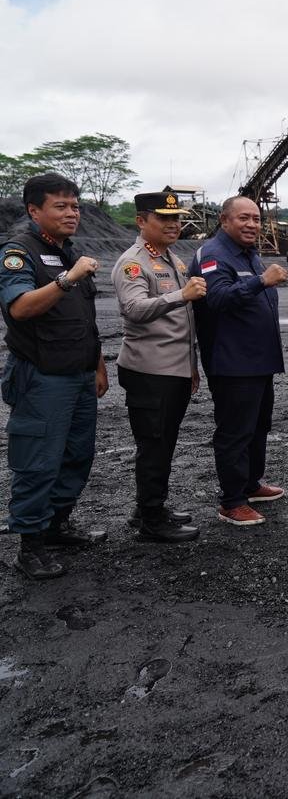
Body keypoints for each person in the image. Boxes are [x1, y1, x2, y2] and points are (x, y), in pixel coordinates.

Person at [1, 173, 108, 579]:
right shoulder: (18, 252)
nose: (71, 213)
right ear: (34, 210)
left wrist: (97, 364)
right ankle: (31, 545)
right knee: (38, 462)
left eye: (75, 206)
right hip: (42, 377)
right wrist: (68, 278)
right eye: (60, 206)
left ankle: (57, 525)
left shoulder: (68, 251)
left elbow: (84, 318)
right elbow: (21, 308)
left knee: (77, 456)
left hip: (79, 374)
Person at [112, 190, 205, 542]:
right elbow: (134, 309)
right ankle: (151, 518)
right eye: (164, 219)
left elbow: (183, 323)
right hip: (150, 371)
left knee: (163, 443)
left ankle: (148, 506)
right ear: (141, 221)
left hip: (173, 369)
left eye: (176, 218)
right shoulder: (134, 262)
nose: (173, 224)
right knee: (153, 444)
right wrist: (180, 295)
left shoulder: (170, 259)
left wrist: (191, 367)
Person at [191, 196, 288, 525]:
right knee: (235, 431)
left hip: (258, 361)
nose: (252, 224)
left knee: (258, 426)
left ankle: (250, 483)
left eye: (257, 219)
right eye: (244, 218)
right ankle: (232, 501)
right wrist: (261, 280)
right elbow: (216, 298)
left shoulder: (247, 252)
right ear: (224, 220)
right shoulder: (214, 254)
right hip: (233, 363)